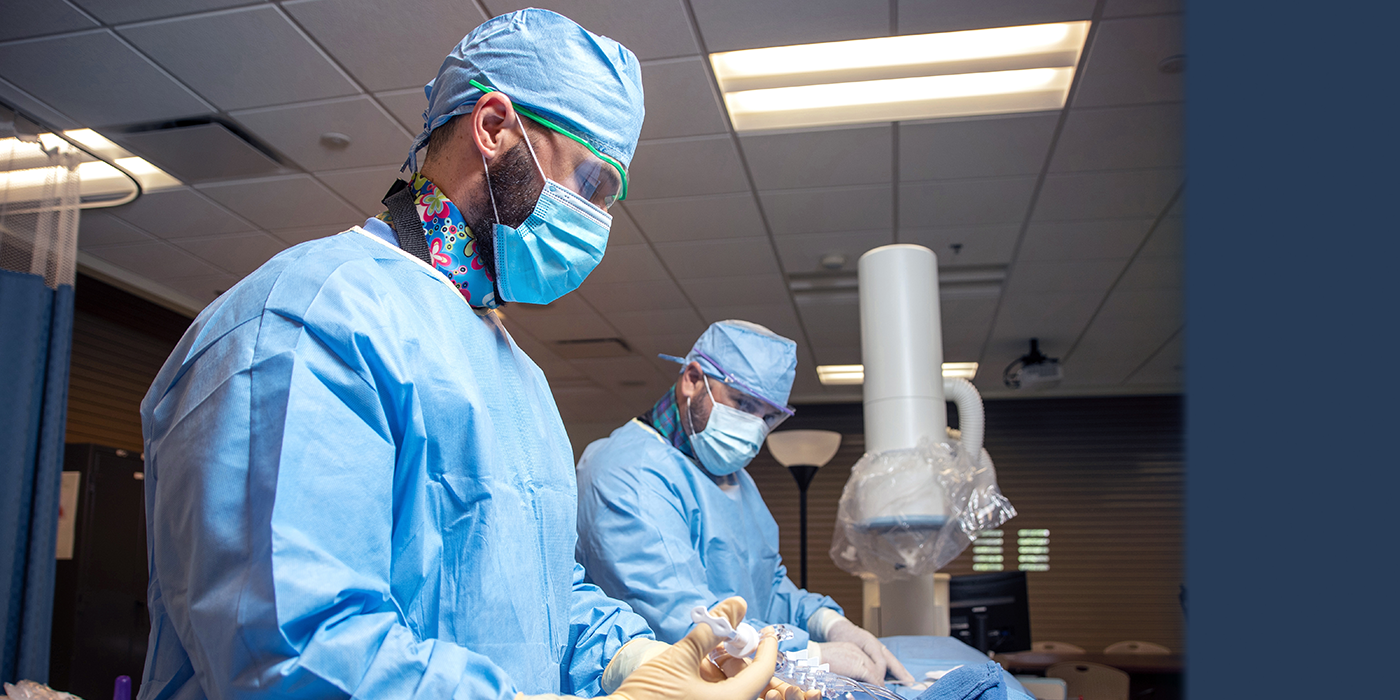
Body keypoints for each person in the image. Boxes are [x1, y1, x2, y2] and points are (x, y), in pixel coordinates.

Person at [137, 11, 796, 700]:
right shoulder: (311, 316)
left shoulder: (513, 368)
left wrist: (632, 659)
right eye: (594, 185)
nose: (600, 221)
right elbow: (296, 654)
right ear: (493, 128)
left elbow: (541, 596)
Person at [575, 321, 916, 686]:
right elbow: (682, 621)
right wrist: (807, 654)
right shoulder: (624, 473)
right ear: (692, 379)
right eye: (743, 404)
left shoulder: (732, 478)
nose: (755, 428)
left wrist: (827, 622)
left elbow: (766, 587)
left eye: (769, 416)